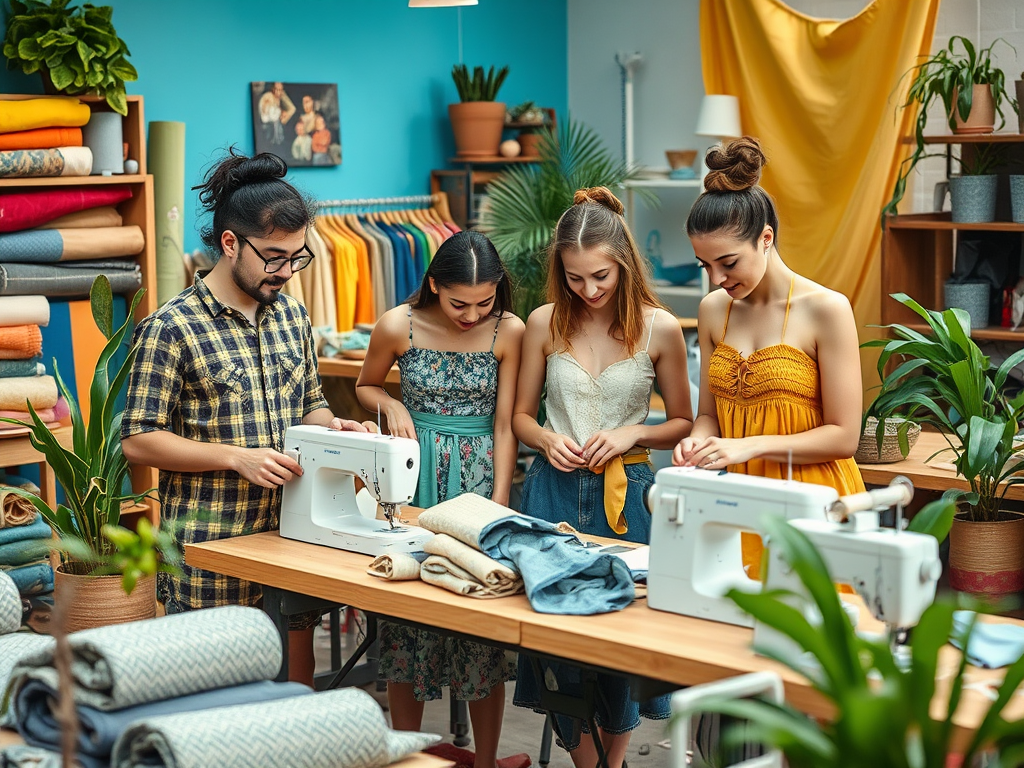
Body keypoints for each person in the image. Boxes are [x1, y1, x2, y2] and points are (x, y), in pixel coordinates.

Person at [121, 149, 371, 686]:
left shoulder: (293, 316)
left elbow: (309, 401)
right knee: (218, 699)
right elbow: (138, 441)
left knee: (292, 688)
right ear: (230, 244)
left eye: (298, 258)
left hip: (290, 534)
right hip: (213, 546)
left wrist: (338, 430)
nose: (287, 271)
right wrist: (236, 458)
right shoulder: (171, 328)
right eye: (275, 257)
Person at [511, 187, 693, 768]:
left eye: (601, 276)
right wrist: (547, 438)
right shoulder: (544, 323)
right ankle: (583, 760)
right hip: (552, 490)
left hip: (629, 496)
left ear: (624, 263)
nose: (588, 290)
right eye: (574, 277)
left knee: (624, 635)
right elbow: (519, 418)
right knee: (553, 638)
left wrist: (632, 434)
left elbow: (685, 421)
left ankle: (609, 762)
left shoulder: (660, 328)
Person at [355, 230, 524, 768]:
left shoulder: (510, 330)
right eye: (458, 303)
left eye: (484, 301)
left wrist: (497, 503)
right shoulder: (397, 324)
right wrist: (392, 405)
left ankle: (488, 758)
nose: (472, 314)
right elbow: (365, 385)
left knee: (479, 627)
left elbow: (504, 424)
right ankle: (406, 755)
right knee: (406, 618)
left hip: (478, 481)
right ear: (433, 284)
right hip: (413, 477)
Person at [672, 136, 865, 576]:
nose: (717, 278)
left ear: (765, 238)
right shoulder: (712, 311)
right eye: (705, 266)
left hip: (815, 502)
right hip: (737, 504)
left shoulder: (826, 310)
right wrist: (697, 442)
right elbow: (710, 415)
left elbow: (844, 436)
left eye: (728, 262)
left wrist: (743, 447)